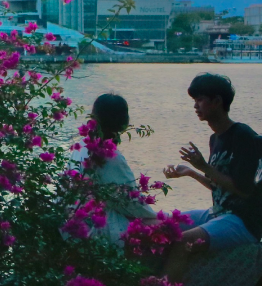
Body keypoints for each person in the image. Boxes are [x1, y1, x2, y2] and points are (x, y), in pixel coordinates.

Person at [162, 73, 262, 280]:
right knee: (162, 225)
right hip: (219, 212)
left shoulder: (243, 136)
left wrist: (203, 166)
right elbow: (219, 185)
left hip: (243, 221)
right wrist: (192, 172)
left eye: (200, 99)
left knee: (183, 242)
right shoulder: (214, 139)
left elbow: (243, 189)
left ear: (217, 101)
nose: (195, 106)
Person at [70, 93, 156, 244]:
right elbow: (130, 201)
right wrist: (153, 216)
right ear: (124, 122)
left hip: (77, 221)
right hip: (100, 227)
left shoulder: (80, 147)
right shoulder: (110, 156)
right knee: (167, 224)